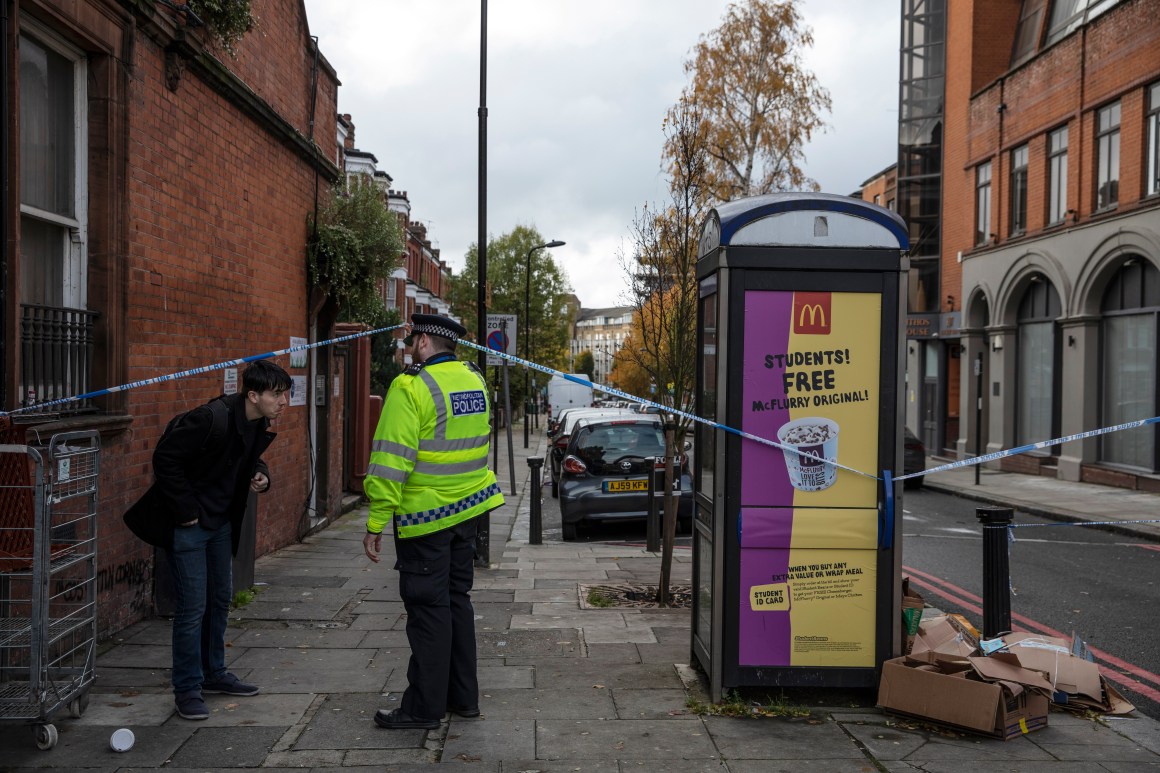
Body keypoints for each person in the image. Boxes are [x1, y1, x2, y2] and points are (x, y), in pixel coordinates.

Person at [363, 313, 504, 730]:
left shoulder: (411, 385)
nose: (410, 346)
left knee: (428, 610)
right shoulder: (475, 381)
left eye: (412, 340)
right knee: (457, 602)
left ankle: (423, 709)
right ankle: (464, 699)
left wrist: (376, 521)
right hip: (468, 513)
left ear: (423, 341)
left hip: (425, 519)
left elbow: (391, 459)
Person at [149, 360, 289, 720]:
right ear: (254, 395)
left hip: (221, 523)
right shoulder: (211, 418)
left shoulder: (257, 421)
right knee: (192, 607)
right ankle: (187, 688)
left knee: (220, 599)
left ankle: (214, 674)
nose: (284, 401)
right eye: (277, 394)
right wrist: (185, 511)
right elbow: (165, 458)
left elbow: (248, 459)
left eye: (285, 393)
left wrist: (260, 474)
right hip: (192, 524)